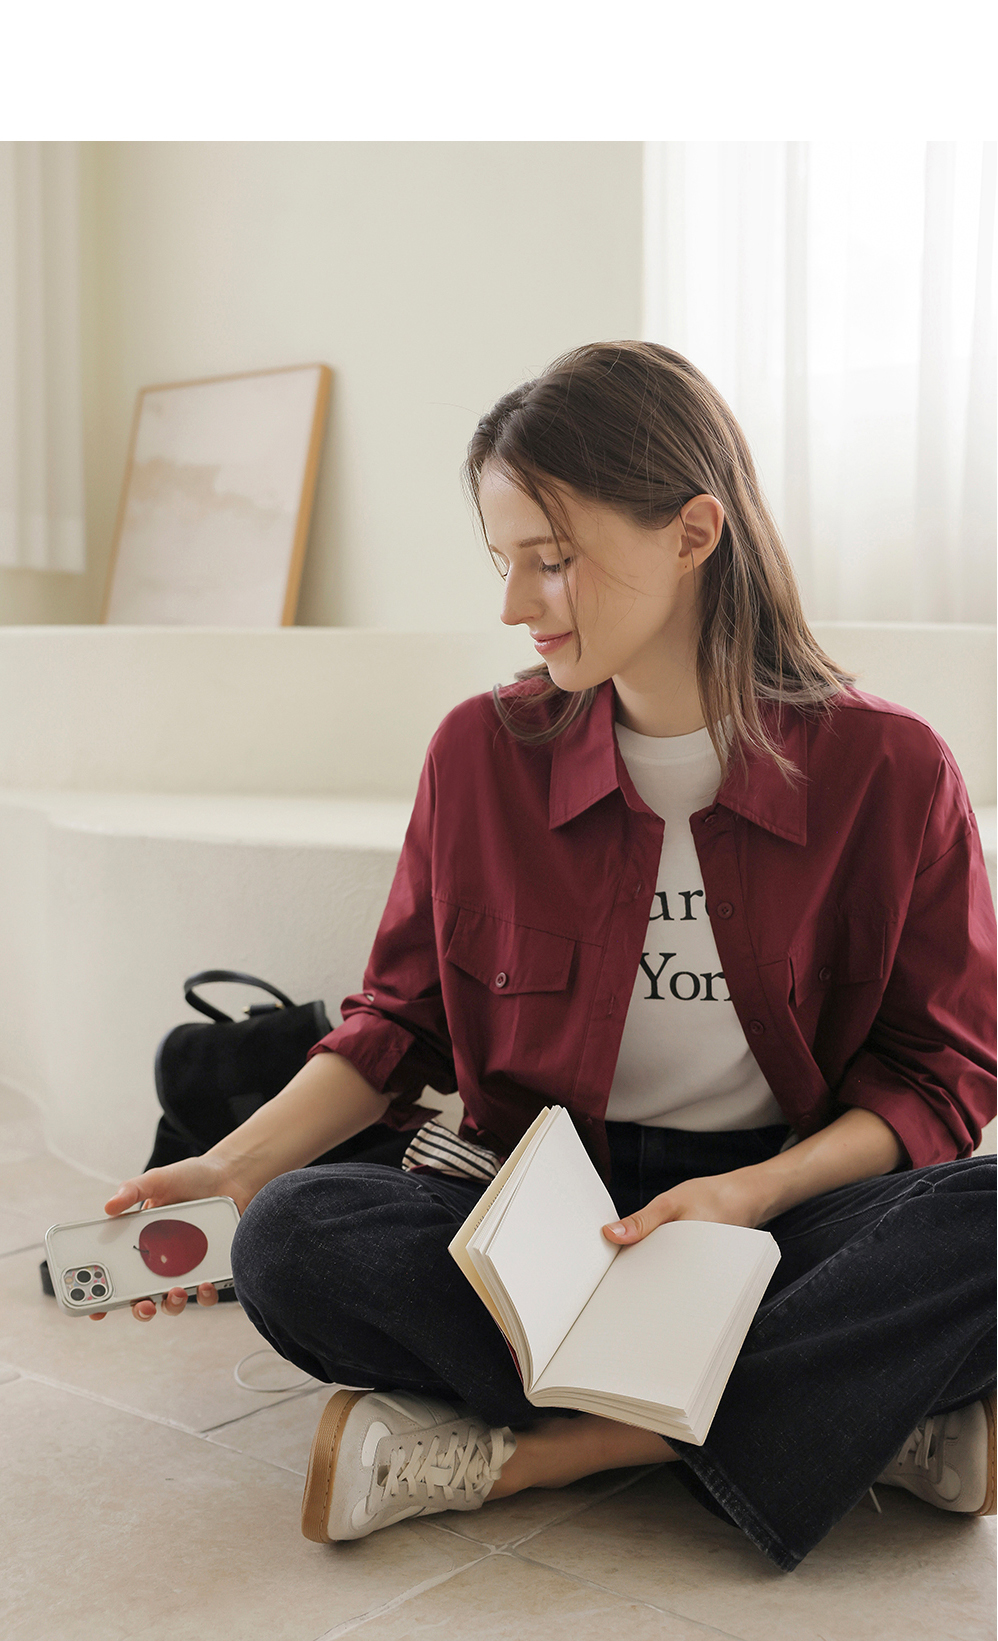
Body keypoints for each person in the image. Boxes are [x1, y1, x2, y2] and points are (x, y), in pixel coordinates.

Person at [94, 342, 997, 1572]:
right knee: (294, 1239)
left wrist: (747, 1196)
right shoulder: (480, 754)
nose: (515, 605)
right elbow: (397, 1022)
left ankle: (558, 1451)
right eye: (503, 562)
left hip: (775, 1211)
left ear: (693, 533)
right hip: (540, 1221)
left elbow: (936, 1075)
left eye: (552, 558)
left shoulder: (890, 771)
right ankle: (856, 1416)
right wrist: (234, 1166)